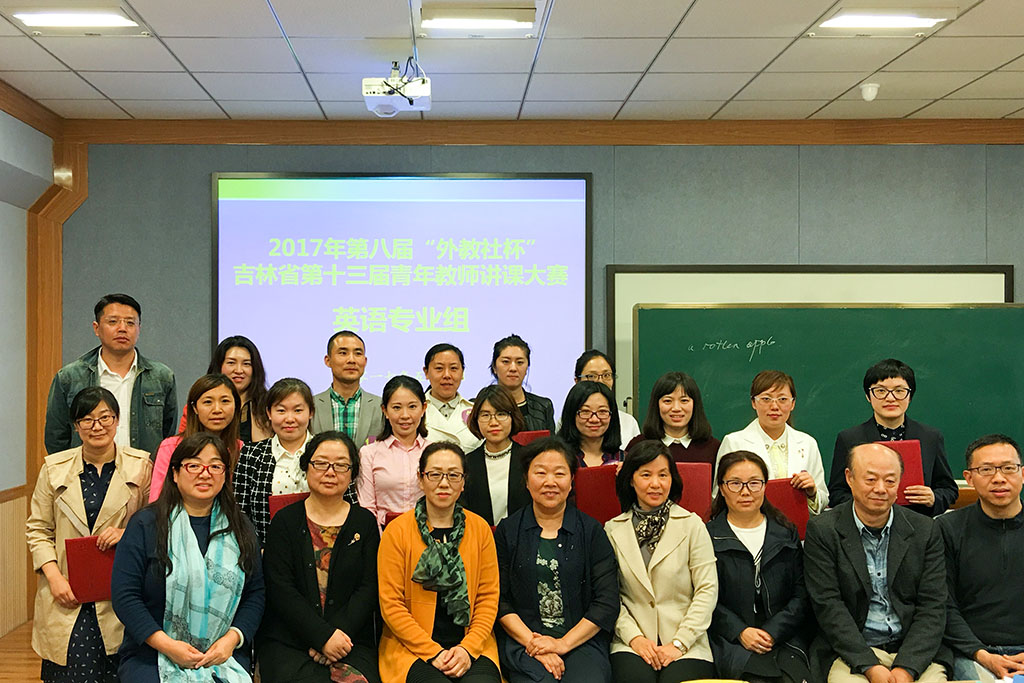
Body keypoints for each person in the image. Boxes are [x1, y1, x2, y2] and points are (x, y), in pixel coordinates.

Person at [111, 433, 265, 683]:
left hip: (221, 655)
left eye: (215, 466)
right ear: (175, 473)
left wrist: (231, 639)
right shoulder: (145, 524)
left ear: (225, 474)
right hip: (152, 653)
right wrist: (168, 645)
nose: (205, 474)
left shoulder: (241, 527)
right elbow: (125, 596)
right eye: (194, 465)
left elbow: (255, 593)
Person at [26, 387, 152, 683]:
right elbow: (38, 529)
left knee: (120, 671)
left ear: (117, 420)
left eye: (105, 417)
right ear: (76, 426)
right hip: (67, 591)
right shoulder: (53, 469)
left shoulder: (141, 466)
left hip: (120, 594)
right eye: (87, 419)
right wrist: (54, 578)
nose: (97, 426)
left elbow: (155, 524)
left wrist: (126, 533)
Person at [804, 443, 949, 683]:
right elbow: (828, 606)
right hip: (852, 653)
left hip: (913, 651)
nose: (880, 489)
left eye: (890, 481)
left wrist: (907, 668)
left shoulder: (925, 530)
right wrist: (870, 666)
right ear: (849, 478)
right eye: (870, 480)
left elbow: (933, 606)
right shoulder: (824, 530)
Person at [258, 430, 381, 683]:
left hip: (349, 639)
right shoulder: (285, 521)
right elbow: (281, 588)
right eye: (321, 463)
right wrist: (322, 637)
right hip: (290, 640)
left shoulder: (364, 522)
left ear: (352, 473)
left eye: (341, 465)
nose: (330, 472)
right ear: (306, 467)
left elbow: (368, 588)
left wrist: (336, 637)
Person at [494, 436, 619, 683]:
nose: (550, 482)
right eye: (540, 473)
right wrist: (535, 643)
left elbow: (606, 601)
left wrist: (562, 644)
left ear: (572, 481)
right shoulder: (508, 531)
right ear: (526, 480)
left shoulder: (591, 531)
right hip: (525, 642)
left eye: (559, 474)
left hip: (581, 641)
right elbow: (499, 599)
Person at [376, 441, 502, 683]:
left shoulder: (480, 529)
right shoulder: (397, 531)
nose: (444, 483)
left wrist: (467, 649)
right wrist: (433, 652)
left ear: (463, 482)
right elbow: (391, 604)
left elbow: (487, 598)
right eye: (434, 474)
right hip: (410, 647)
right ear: (420, 479)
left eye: (453, 475)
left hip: (472, 644)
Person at [605, 440, 718, 682]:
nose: (655, 484)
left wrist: (680, 642)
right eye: (646, 475)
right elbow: (609, 595)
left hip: (687, 641)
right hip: (631, 641)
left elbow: (707, 589)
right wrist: (634, 638)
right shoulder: (612, 530)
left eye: (663, 475)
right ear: (631, 479)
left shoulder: (692, 525)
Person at [707, 450, 811, 683]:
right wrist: (740, 632)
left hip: (784, 636)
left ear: (765, 486)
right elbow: (704, 598)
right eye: (735, 483)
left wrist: (773, 631)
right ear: (721, 488)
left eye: (754, 483)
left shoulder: (785, 533)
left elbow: (802, 593)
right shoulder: (708, 536)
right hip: (729, 639)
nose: (745, 492)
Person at [44, 293, 177, 455]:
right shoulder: (70, 377)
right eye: (113, 322)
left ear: (139, 329)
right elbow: (56, 437)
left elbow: (168, 436)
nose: (122, 328)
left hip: (144, 469)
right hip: (86, 469)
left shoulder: (161, 377)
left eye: (130, 323)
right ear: (96, 328)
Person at [938, 434, 1024, 682]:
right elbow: (943, 604)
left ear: (1022, 473)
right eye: (986, 470)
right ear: (969, 478)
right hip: (971, 653)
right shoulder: (947, 529)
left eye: (1008, 468)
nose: (999, 478)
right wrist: (981, 654)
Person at [829, 359, 958, 517]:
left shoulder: (930, 437)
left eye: (899, 391)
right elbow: (837, 492)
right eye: (880, 391)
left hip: (917, 523)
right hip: (867, 523)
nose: (890, 398)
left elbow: (948, 489)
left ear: (910, 396)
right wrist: (864, 505)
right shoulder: (850, 438)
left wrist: (933, 498)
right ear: (868, 396)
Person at [716, 370, 828, 514]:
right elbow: (718, 496)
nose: (774, 406)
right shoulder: (734, 443)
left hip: (799, 525)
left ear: (792, 403)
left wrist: (812, 493)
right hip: (749, 523)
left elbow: (824, 499)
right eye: (766, 399)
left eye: (782, 399)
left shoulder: (807, 443)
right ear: (754, 403)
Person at [235, 377, 316, 546]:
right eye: (281, 410)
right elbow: (240, 512)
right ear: (269, 413)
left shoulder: (327, 452)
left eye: (298, 410)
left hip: (322, 550)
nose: (289, 418)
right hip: (267, 550)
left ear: (311, 412)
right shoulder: (251, 454)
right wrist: (257, 549)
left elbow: (348, 504)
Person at [150, 373, 242, 502]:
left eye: (225, 401)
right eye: (208, 402)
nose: (217, 409)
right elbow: (157, 500)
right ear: (195, 408)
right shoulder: (171, 447)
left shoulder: (242, 450)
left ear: (236, 406)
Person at [357, 375, 431, 529]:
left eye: (412, 407)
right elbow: (367, 508)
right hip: (383, 534)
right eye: (397, 407)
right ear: (385, 410)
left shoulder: (434, 453)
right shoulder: (369, 453)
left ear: (423, 408)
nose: (405, 415)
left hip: (427, 535)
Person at [311, 331, 385, 471]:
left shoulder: (381, 406)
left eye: (358, 353)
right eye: (343, 353)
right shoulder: (310, 406)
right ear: (328, 360)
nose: (351, 360)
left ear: (365, 361)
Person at [460, 385, 530, 526]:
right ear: (476, 419)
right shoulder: (467, 463)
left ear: (513, 417)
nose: (493, 422)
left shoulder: (529, 460)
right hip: (480, 536)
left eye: (501, 414)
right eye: (485, 415)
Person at [180, 336, 270, 444]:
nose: (239, 370)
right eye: (231, 363)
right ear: (219, 366)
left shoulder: (267, 406)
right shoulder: (199, 405)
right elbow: (184, 444)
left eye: (246, 364)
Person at [626, 371, 720, 468]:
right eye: (668, 401)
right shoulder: (638, 446)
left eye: (684, 400)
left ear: (695, 405)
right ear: (656, 405)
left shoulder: (713, 448)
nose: (676, 408)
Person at [490, 334, 555, 434]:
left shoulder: (543, 406)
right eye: (506, 362)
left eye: (519, 362)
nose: (513, 368)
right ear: (494, 367)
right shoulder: (478, 406)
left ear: (527, 367)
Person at [573, 350, 640, 446]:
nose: (600, 381)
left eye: (606, 375)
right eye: (591, 376)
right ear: (577, 381)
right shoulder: (568, 419)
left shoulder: (628, 422)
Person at [423, 343, 482, 453]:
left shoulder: (477, 411)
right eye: (439, 368)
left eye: (453, 368)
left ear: (462, 372)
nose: (447, 375)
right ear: (426, 372)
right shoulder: (415, 410)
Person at [557, 381, 623, 468]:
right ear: (571, 414)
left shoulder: (624, 460)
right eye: (585, 411)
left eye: (602, 411)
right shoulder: (557, 458)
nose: (594, 419)